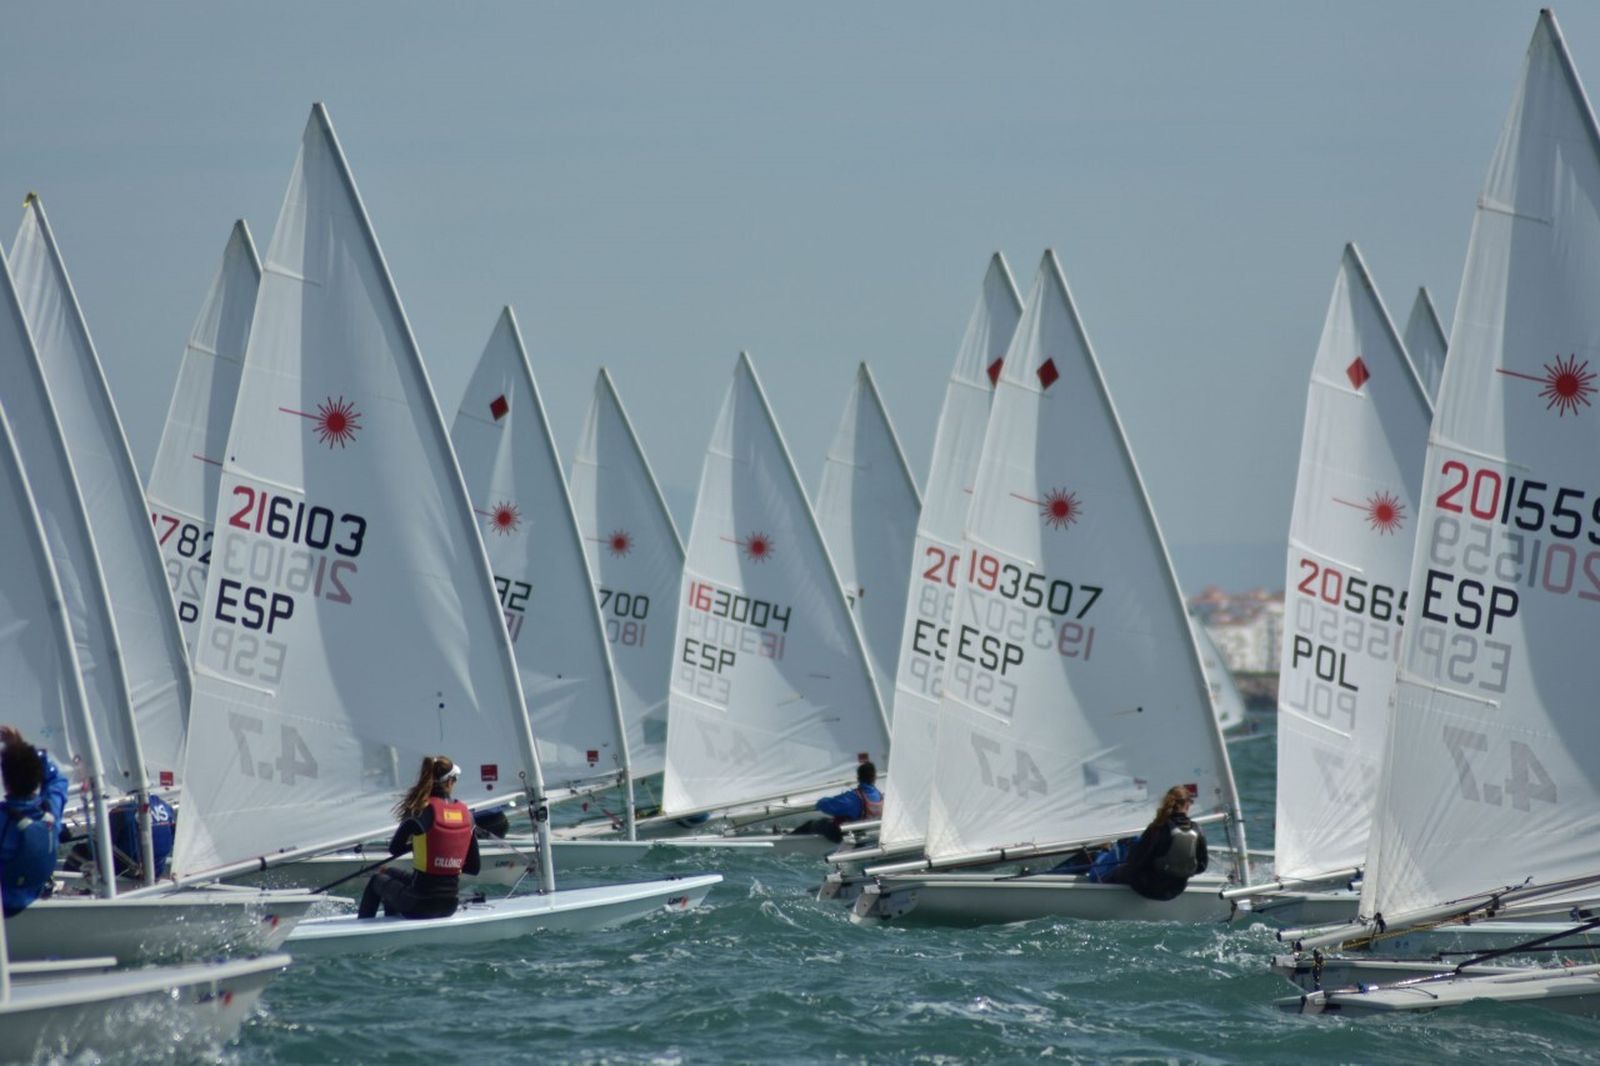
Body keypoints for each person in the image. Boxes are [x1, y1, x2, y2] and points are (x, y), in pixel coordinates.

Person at [357, 755, 481, 920]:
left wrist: (422, 844)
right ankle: (391, 920)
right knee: (390, 872)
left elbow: (395, 849)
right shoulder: (467, 816)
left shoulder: (419, 812)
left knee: (376, 880)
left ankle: (367, 930)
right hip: (449, 905)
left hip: (418, 905)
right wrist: (447, 856)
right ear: (449, 781)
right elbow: (473, 868)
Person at [0, 725, 69, 916]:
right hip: (35, 897)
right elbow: (58, 780)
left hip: (5, 906)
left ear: (5, 782)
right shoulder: (50, 812)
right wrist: (21, 747)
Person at [1106, 785, 1208, 901]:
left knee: (1116, 872)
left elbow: (1135, 862)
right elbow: (1201, 867)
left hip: (1148, 888)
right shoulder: (1198, 830)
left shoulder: (1157, 828)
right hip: (1177, 889)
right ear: (1188, 805)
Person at [792, 761, 882, 844]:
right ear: (874, 777)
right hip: (868, 834)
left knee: (812, 824)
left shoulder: (852, 798)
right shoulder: (880, 796)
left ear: (858, 778)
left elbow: (826, 805)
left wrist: (821, 802)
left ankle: (789, 838)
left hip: (843, 835)